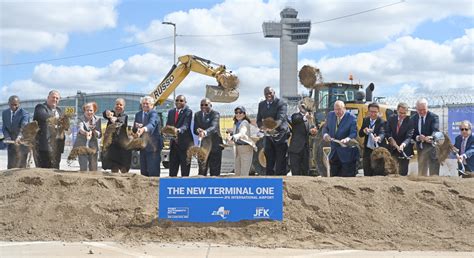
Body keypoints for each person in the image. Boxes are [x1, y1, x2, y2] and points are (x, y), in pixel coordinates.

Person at [256, 86, 289, 175]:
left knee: (280, 160)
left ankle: (280, 181)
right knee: (269, 159)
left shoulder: (281, 103)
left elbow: (280, 119)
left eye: (270, 93)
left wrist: (271, 127)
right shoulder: (261, 105)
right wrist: (262, 127)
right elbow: (259, 120)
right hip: (268, 136)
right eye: (266, 93)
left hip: (280, 135)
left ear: (274, 93)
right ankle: (269, 180)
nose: (268, 95)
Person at [322, 100, 359, 177]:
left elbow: (353, 133)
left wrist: (347, 139)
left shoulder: (352, 118)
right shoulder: (330, 115)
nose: (337, 112)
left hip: (346, 155)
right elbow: (325, 128)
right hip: (334, 153)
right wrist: (325, 135)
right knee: (334, 177)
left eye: (339, 109)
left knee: (346, 178)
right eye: (335, 109)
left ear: (344, 108)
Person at [33, 90, 65, 169]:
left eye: (57, 98)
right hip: (43, 147)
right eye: (53, 97)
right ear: (48, 98)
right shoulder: (40, 107)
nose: (55, 100)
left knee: (55, 169)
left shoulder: (59, 110)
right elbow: (45, 117)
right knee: (43, 171)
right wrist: (59, 120)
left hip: (57, 146)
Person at [133, 96, 163, 177]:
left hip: (153, 147)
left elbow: (151, 124)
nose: (145, 105)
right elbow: (134, 129)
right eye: (143, 103)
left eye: (147, 103)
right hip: (142, 147)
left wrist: (143, 129)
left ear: (152, 105)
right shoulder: (138, 114)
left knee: (153, 172)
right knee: (144, 173)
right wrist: (136, 128)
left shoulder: (154, 114)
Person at [194, 98, 223, 176]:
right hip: (203, 146)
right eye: (202, 105)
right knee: (202, 169)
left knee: (214, 171)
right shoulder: (197, 114)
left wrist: (204, 132)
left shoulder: (215, 114)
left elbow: (213, 127)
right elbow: (195, 129)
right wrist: (198, 130)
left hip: (215, 145)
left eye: (206, 105)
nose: (203, 106)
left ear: (211, 105)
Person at [166, 95, 194, 177]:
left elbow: (186, 125)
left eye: (181, 100)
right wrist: (166, 131)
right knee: (172, 169)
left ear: (185, 102)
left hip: (185, 145)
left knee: (185, 170)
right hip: (174, 144)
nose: (178, 102)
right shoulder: (171, 112)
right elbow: (168, 124)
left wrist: (178, 130)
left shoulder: (188, 111)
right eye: (177, 100)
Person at [411, 98, 440, 176]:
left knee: (434, 174)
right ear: (416, 109)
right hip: (421, 149)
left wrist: (430, 137)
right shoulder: (413, 118)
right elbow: (412, 134)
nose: (421, 112)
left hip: (432, 149)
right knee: (422, 173)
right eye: (419, 110)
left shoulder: (434, 117)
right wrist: (418, 137)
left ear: (427, 107)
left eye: (424, 109)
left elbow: (435, 130)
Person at [102, 98, 131, 173]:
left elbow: (121, 121)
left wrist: (115, 119)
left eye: (120, 105)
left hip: (122, 146)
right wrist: (107, 113)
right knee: (113, 167)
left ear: (123, 106)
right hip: (112, 145)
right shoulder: (111, 114)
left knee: (124, 168)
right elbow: (104, 114)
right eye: (117, 104)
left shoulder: (125, 116)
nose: (118, 106)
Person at [288, 103, 318, 176]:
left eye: (304, 106)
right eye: (302, 106)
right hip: (296, 150)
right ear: (299, 107)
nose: (303, 108)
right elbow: (295, 120)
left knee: (305, 171)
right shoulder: (295, 116)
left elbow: (311, 130)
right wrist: (306, 117)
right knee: (296, 171)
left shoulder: (309, 120)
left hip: (305, 149)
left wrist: (313, 131)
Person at [385, 102, 414, 176]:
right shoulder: (391, 118)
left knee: (402, 173)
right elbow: (387, 131)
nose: (402, 115)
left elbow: (409, 136)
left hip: (404, 150)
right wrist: (391, 139)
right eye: (400, 113)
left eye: (404, 113)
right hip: (392, 149)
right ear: (397, 110)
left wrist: (403, 145)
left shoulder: (410, 121)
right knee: (391, 171)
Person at [226, 106, 255, 176]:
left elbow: (242, 132)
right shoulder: (236, 123)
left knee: (244, 174)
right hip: (237, 148)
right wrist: (231, 133)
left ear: (244, 114)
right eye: (236, 112)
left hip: (246, 149)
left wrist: (235, 136)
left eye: (240, 112)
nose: (238, 114)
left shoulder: (245, 122)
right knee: (237, 173)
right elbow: (236, 132)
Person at [2, 95, 30, 168]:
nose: (14, 107)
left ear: (19, 104)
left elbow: (24, 127)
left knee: (21, 167)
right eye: (12, 105)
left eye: (16, 105)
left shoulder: (24, 113)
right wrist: (7, 136)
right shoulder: (5, 113)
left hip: (22, 144)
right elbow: (4, 127)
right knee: (11, 166)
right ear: (8, 103)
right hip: (11, 145)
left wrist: (19, 137)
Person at [358, 103, 386, 176]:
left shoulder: (382, 122)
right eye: (371, 112)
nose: (373, 114)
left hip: (378, 151)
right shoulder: (366, 120)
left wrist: (378, 138)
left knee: (378, 173)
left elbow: (382, 133)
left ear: (378, 112)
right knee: (367, 171)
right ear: (368, 111)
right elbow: (360, 134)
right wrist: (364, 131)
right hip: (368, 150)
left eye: (375, 112)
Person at [73, 102, 101, 171]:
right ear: (84, 111)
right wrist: (86, 133)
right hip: (82, 145)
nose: (89, 112)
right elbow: (80, 129)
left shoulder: (98, 119)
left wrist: (94, 131)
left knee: (94, 168)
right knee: (83, 167)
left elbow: (99, 134)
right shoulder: (80, 118)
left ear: (94, 110)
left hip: (93, 146)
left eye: (91, 110)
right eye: (87, 110)